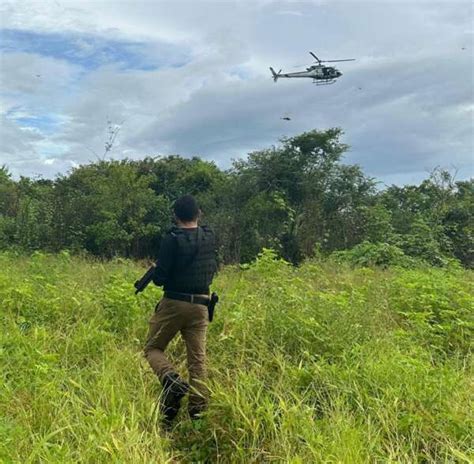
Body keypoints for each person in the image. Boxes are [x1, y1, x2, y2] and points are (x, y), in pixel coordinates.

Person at [144, 195, 218, 427]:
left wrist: (155, 271)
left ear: (175, 216)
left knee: (153, 348)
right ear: (199, 213)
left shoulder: (171, 239)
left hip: (174, 303)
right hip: (201, 305)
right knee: (198, 361)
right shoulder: (209, 237)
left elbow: (160, 279)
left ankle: (171, 379)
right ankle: (197, 414)